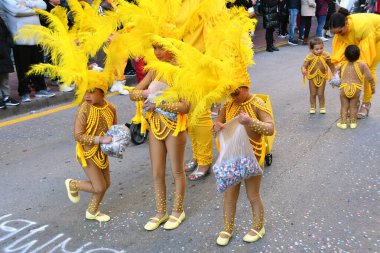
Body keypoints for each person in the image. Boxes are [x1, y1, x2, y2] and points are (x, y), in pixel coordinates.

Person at [130, 44, 190, 231]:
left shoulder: (182, 72)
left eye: (161, 48)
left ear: (172, 48)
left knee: (177, 171)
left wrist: (160, 103)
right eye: (154, 48)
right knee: (157, 172)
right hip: (155, 125)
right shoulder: (155, 69)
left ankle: (177, 211)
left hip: (174, 127)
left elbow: (186, 106)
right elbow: (133, 94)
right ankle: (160, 212)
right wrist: (147, 93)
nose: (157, 52)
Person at [213, 85, 274, 246]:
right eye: (230, 93)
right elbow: (218, 122)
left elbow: (270, 128)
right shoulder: (228, 104)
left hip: (253, 157)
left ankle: (258, 227)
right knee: (229, 196)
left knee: (253, 195)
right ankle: (227, 228)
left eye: (236, 93)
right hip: (232, 159)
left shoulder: (257, 102)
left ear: (245, 86)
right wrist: (217, 126)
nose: (233, 96)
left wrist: (251, 121)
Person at [65, 80, 117, 222]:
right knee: (99, 187)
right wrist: (100, 140)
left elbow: (113, 130)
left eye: (92, 92)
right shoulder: (84, 109)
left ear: (103, 92)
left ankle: (92, 211)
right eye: (85, 92)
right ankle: (73, 184)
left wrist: (118, 141)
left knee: (106, 184)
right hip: (86, 153)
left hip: (102, 153)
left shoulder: (111, 108)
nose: (87, 96)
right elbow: (78, 135)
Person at [0, 0, 55, 103]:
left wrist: (28, 4)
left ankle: (41, 88)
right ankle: (24, 92)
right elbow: (16, 10)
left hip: (36, 35)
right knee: (23, 67)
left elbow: (43, 5)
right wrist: (36, 10)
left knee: (38, 64)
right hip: (21, 36)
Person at [329, 8, 380, 119]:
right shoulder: (340, 32)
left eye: (339, 32)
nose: (338, 35)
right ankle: (354, 100)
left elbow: (364, 59)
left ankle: (366, 103)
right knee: (347, 65)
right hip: (361, 37)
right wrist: (337, 71)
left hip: (376, 37)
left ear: (346, 24)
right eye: (334, 33)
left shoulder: (362, 27)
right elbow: (339, 56)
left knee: (367, 67)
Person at [336, 45, 375, 129]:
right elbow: (370, 77)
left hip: (344, 88)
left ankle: (343, 123)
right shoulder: (363, 65)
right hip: (356, 89)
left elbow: (335, 72)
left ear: (345, 56)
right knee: (353, 106)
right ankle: (353, 123)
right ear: (359, 55)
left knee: (344, 106)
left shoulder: (342, 64)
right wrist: (373, 87)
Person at [301, 37, 335, 114]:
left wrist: (334, 74)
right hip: (312, 78)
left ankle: (322, 107)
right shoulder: (309, 57)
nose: (319, 50)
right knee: (313, 93)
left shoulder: (326, 55)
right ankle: (312, 107)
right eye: (317, 49)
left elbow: (331, 65)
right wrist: (303, 70)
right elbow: (304, 66)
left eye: (321, 48)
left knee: (320, 93)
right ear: (311, 49)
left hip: (322, 77)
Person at [0, 17, 20, 109]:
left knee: (4, 77)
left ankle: (6, 97)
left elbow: (6, 31)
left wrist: (8, 43)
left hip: (3, 51)